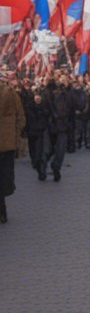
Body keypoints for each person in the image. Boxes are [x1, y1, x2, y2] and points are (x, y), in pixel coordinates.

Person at [0, 74, 26, 224]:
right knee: (4, 176)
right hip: (8, 143)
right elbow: (21, 117)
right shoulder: (11, 93)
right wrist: (16, 134)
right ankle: (2, 211)